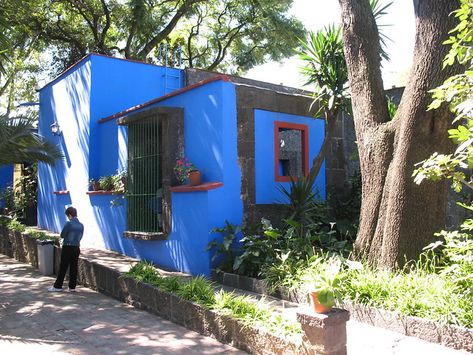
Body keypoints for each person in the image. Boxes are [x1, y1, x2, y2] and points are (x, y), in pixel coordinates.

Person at [48, 206, 84, 292]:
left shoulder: (69, 223)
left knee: (63, 266)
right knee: (74, 267)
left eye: (68, 216)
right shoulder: (81, 225)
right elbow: (81, 236)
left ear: (70, 215)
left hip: (67, 246)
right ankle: (72, 287)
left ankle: (58, 286)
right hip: (76, 247)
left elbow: (62, 235)